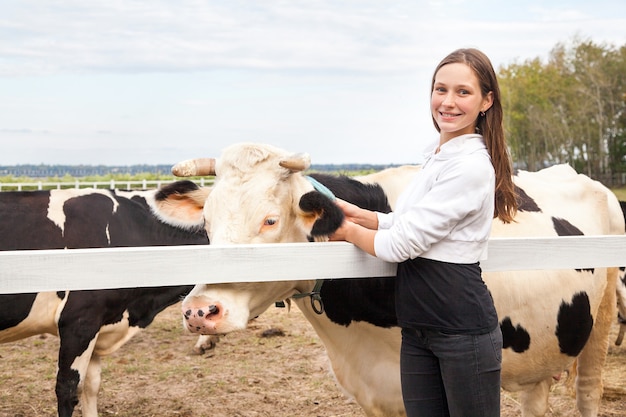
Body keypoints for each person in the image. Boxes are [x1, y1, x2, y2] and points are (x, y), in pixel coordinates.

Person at [330, 48, 518, 417]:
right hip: (418, 329)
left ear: (486, 100)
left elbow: (400, 245)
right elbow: (410, 222)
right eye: (440, 89)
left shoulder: (470, 166)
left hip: (461, 331)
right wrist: (366, 216)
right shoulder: (439, 157)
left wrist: (345, 230)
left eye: (463, 92)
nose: (448, 102)